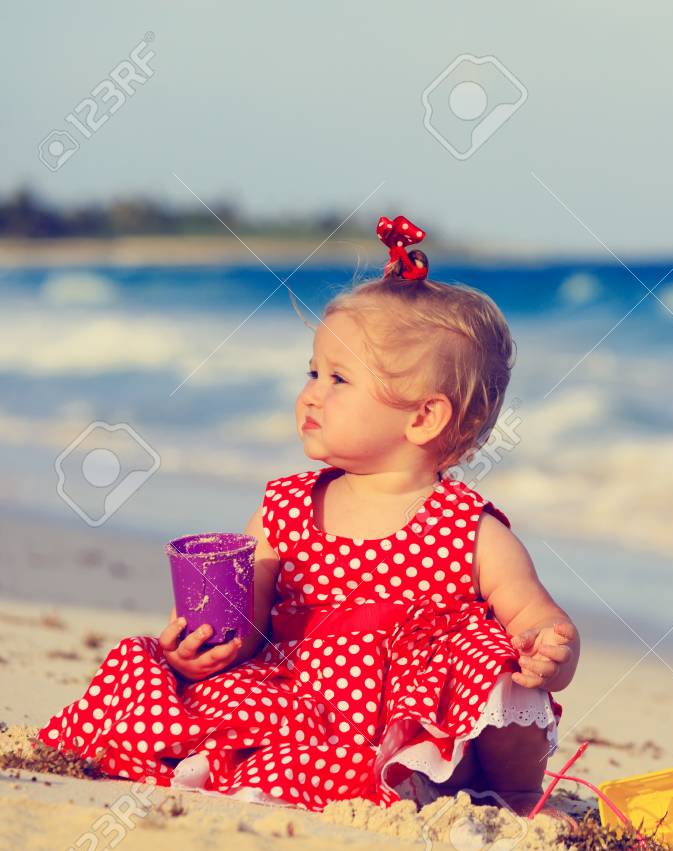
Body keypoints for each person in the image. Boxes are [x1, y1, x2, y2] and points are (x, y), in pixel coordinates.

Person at [37, 215, 580, 815]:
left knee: (501, 672)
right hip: (307, 705)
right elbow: (245, 619)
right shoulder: (286, 510)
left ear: (422, 418)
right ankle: (363, 777)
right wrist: (202, 644)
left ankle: (512, 795)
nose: (312, 394)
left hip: (422, 714)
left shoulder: (469, 528)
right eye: (313, 372)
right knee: (173, 690)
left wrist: (548, 650)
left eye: (339, 379)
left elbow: (535, 616)